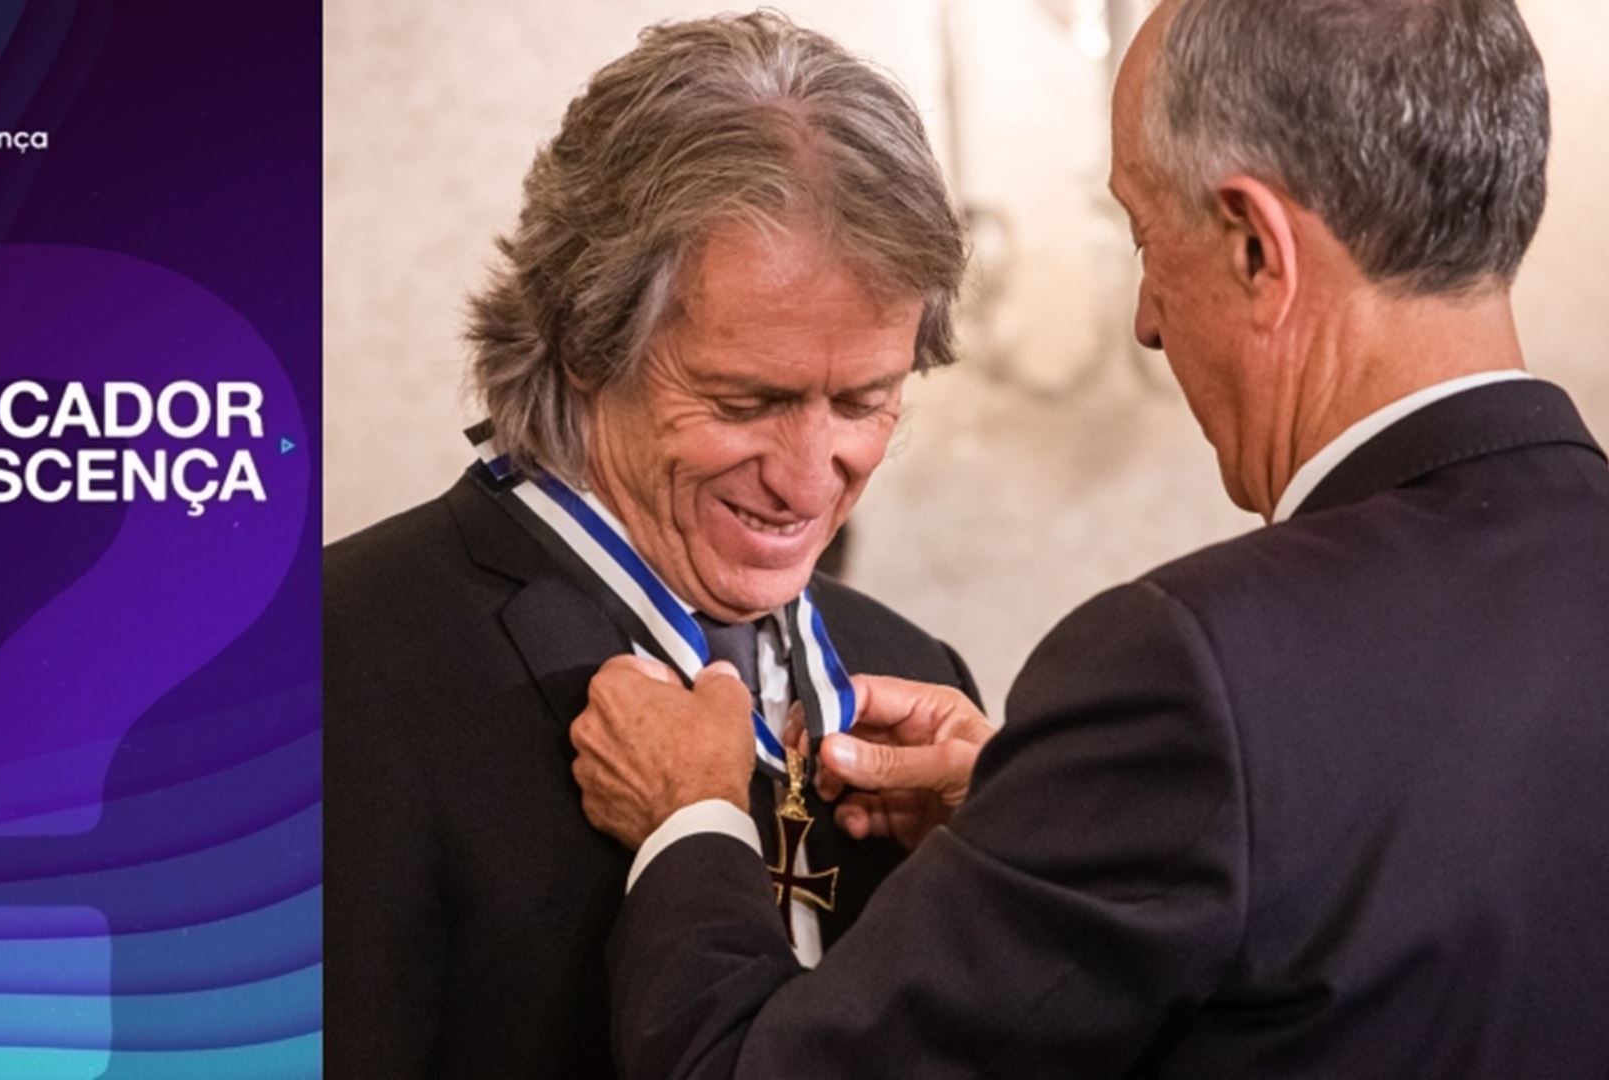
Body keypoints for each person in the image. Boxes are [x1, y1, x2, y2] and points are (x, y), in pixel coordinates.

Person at [571, 1, 1609, 1075]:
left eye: (1146, 238)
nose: (1145, 320)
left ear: (1258, 247)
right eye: (748, 401)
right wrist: (1047, 828)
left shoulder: (1193, 673)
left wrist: (693, 819)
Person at [324, 13, 982, 1076]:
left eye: (864, 401)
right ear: (587, 340)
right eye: (747, 401)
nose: (809, 479)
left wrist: (1006, 865)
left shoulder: (920, 682)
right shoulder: (333, 661)